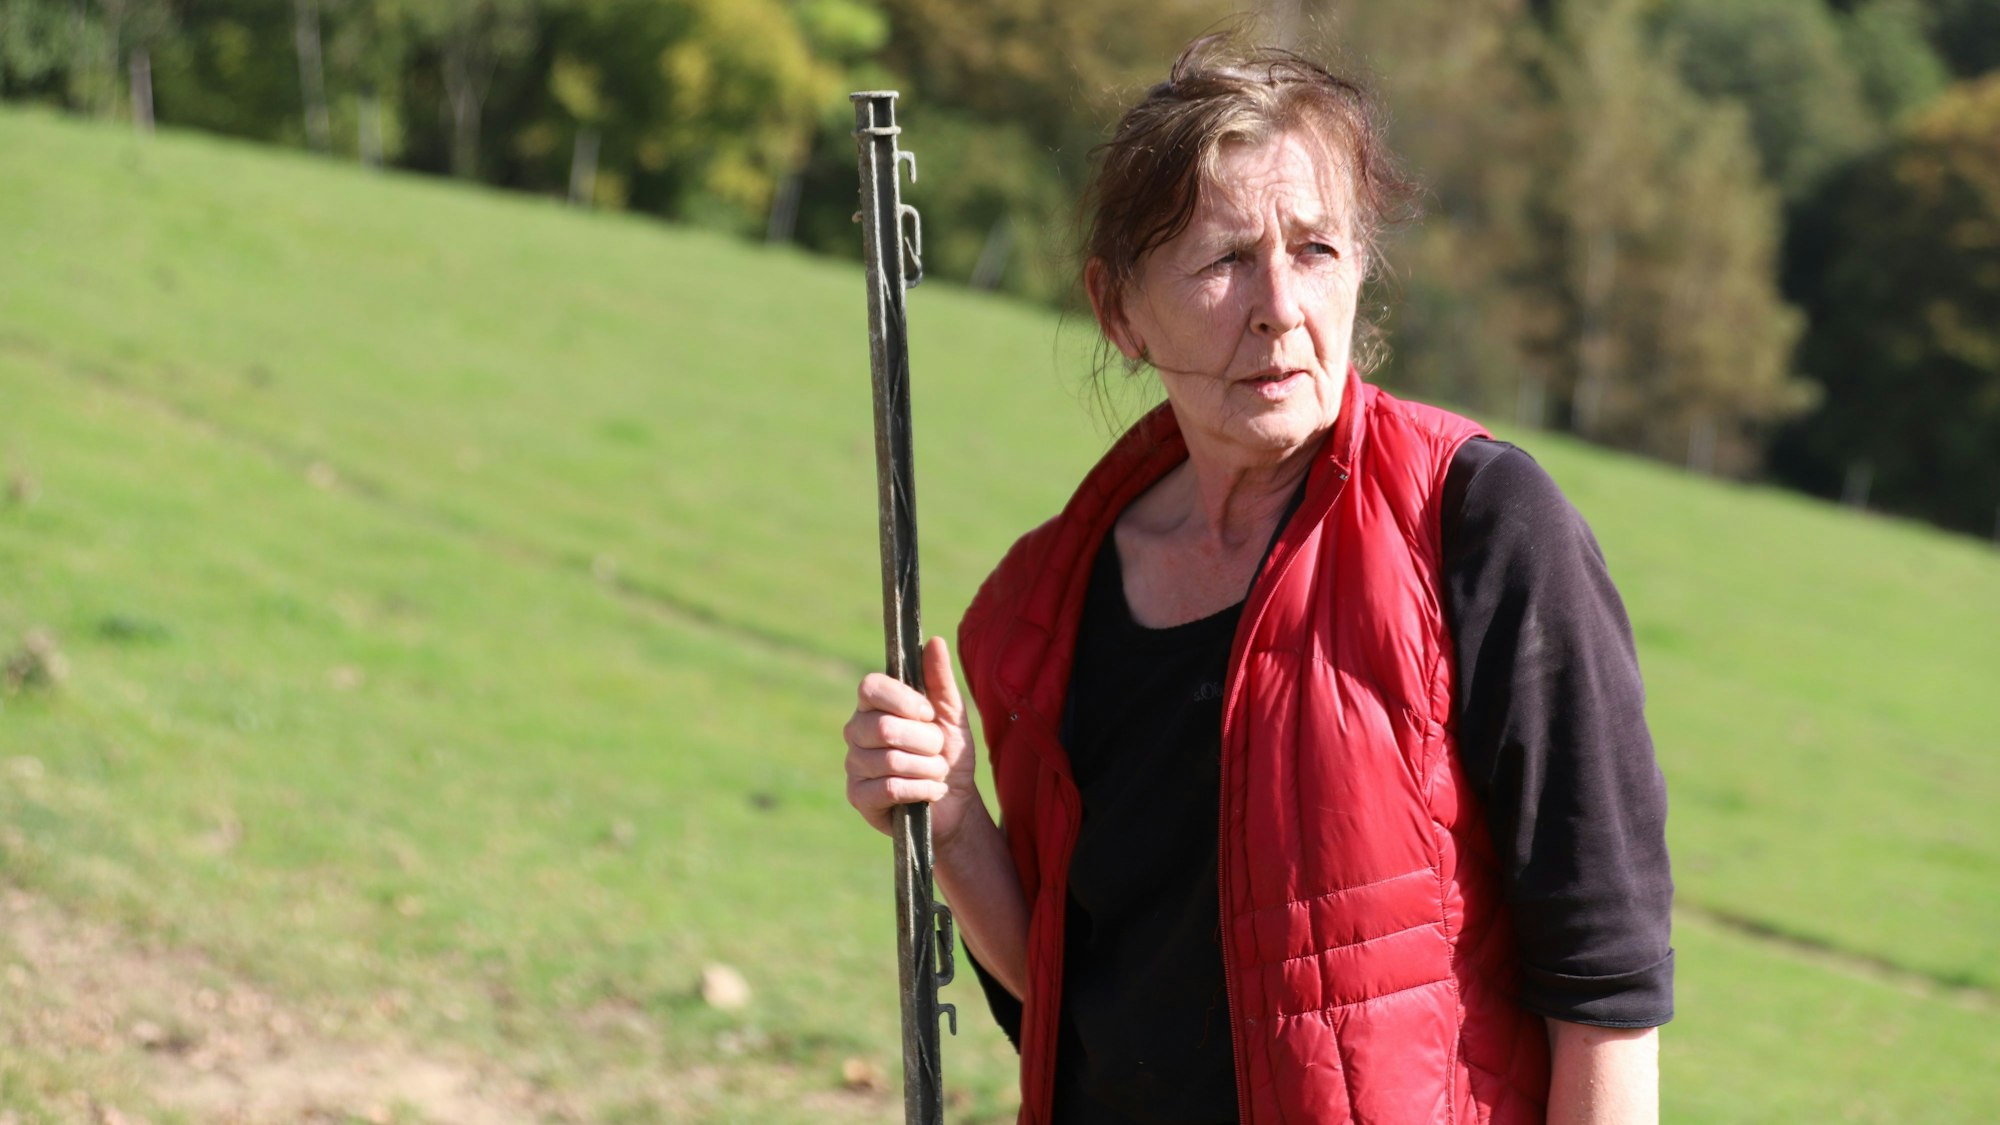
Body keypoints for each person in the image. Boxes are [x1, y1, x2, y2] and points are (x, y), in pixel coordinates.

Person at [841, 37, 1672, 1125]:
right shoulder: (1038, 606)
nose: (1277, 305)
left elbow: (1603, 983)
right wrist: (952, 823)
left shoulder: (1477, 527)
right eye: (1223, 259)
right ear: (1118, 311)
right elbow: (1075, 987)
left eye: (1316, 248)